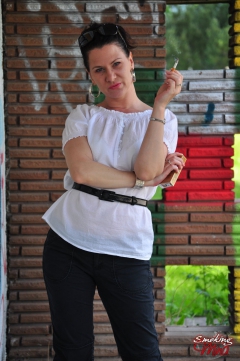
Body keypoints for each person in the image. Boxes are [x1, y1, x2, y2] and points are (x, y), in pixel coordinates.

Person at [42, 22, 184, 361]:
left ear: (131, 62)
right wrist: (139, 183)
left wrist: (160, 105)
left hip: (126, 249)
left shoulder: (163, 119)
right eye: (99, 69)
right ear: (91, 76)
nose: (111, 76)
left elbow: (149, 169)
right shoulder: (82, 116)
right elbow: (82, 171)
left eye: (117, 64)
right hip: (68, 244)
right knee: (72, 351)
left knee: (142, 352)